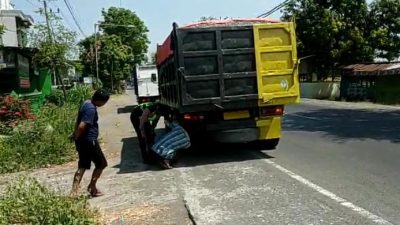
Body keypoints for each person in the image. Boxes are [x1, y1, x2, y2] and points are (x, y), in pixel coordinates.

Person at [70, 89, 110, 197]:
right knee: (101, 164)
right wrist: (76, 136)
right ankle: (92, 187)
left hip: (82, 141)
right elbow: (82, 125)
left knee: (82, 165)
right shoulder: (91, 109)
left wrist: (75, 137)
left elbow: (77, 121)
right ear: (101, 101)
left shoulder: (86, 103)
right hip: (89, 141)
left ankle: (74, 191)